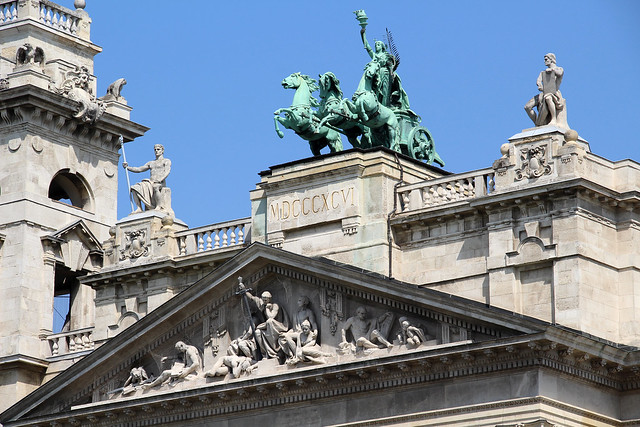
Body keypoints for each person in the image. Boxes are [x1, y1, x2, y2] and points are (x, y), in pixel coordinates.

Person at [360, 27, 410, 110]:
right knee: (374, 91)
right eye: (376, 45)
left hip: (385, 73)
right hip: (376, 74)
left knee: (384, 91)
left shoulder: (386, 56)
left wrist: (391, 72)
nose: (377, 46)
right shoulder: (375, 56)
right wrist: (363, 35)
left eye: (378, 45)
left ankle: (385, 106)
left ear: (383, 47)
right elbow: (368, 48)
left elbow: (391, 66)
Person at [122, 144, 172, 214]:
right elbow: (139, 169)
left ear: (162, 150)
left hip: (160, 183)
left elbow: (167, 171)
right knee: (134, 188)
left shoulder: (166, 161)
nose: (156, 151)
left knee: (155, 187)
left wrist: (159, 179)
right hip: (150, 182)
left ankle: (158, 206)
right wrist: (128, 167)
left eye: (158, 149)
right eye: (155, 150)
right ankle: (139, 208)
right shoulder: (151, 163)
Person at [524, 53, 567, 127]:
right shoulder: (543, 72)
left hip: (554, 93)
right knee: (527, 107)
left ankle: (553, 119)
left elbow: (559, 74)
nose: (545, 61)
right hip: (544, 92)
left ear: (551, 60)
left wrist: (552, 69)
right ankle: (538, 123)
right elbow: (538, 81)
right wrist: (540, 85)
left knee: (548, 98)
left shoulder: (559, 69)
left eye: (546, 59)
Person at [279, 296, 318, 360]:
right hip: (296, 331)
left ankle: (297, 355)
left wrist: (316, 331)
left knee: (287, 337)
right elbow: (294, 327)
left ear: (304, 302)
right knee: (281, 338)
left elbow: (313, 323)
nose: (298, 302)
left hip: (303, 332)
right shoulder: (296, 313)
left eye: (300, 301)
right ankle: (291, 355)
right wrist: (286, 333)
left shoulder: (308, 312)